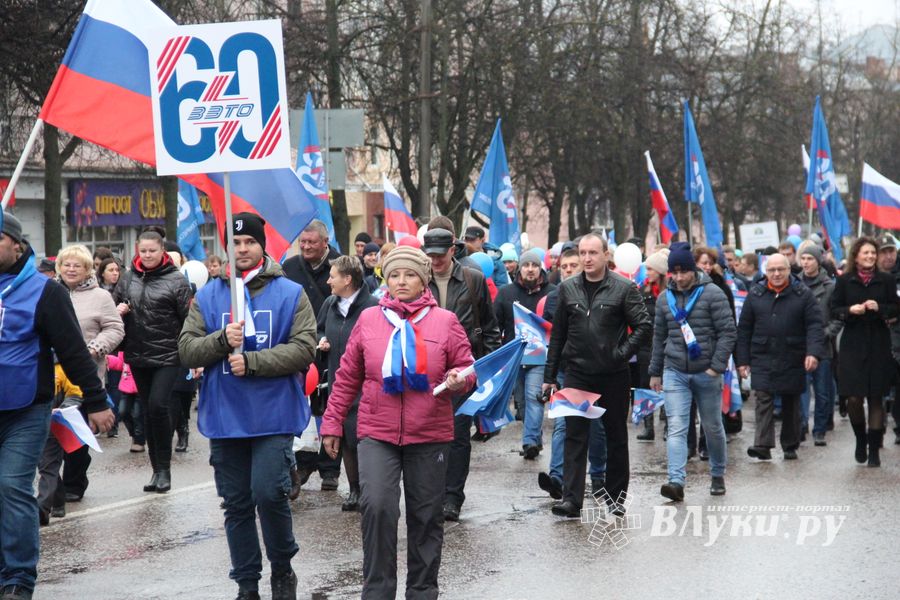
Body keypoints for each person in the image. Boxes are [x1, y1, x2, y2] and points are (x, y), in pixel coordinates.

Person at [320, 246, 475, 600]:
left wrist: (458, 379)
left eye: (409, 275)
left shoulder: (445, 321)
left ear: (423, 281)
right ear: (385, 280)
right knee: (376, 506)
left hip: (429, 433)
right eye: (394, 275)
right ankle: (377, 592)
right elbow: (346, 376)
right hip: (377, 431)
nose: (401, 281)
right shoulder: (370, 319)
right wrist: (332, 423)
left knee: (425, 517)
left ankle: (422, 591)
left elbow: (468, 369)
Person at [179, 212, 317, 600]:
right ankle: (246, 582)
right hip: (225, 414)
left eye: (249, 243)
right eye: (235, 243)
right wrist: (222, 340)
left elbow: (304, 348)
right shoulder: (208, 295)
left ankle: (283, 567)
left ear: (261, 246)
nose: (241, 249)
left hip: (273, 413)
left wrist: (254, 362)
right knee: (236, 502)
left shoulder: (290, 293)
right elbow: (186, 349)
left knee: (268, 494)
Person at [0, 210, 114, 600]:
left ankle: (18, 578)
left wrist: (96, 400)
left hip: (26, 406)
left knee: (11, 485)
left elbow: (72, 348)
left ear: (16, 244)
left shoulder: (45, 291)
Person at [543, 233, 652, 518]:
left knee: (616, 436)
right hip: (577, 373)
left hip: (614, 374)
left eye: (593, 253)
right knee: (575, 436)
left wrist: (620, 353)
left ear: (606, 255)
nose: (587, 258)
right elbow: (558, 336)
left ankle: (616, 498)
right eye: (583, 253)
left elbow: (643, 326)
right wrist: (550, 375)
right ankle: (571, 499)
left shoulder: (624, 288)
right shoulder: (567, 288)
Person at [420, 227, 501, 522]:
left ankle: (452, 497)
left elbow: (489, 327)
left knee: (457, 435)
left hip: (464, 368)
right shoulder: (418, 279)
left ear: (453, 250)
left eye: (440, 255)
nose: (436, 261)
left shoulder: (473, 278)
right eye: (430, 255)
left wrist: (489, 371)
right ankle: (432, 493)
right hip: (425, 368)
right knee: (427, 435)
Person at [649, 243, 736, 500]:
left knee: (712, 426)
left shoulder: (713, 293)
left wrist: (715, 367)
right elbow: (659, 337)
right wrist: (655, 372)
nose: (678, 277)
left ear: (692, 269)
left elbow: (728, 332)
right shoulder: (665, 298)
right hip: (675, 370)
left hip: (706, 371)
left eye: (682, 271)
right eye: (673, 273)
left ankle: (718, 473)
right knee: (676, 425)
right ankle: (676, 481)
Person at [115, 230, 192, 493]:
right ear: (138, 251)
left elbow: (188, 319)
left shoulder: (176, 280)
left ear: (162, 252)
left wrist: (193, 353)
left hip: (169, 354)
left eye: (152, 251)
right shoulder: (128, 279)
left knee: (159, 405)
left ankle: (165, 470)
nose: (147, 255)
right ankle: (156, 470)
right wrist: (119, 312)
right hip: (137, 353)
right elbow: (113, 313)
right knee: (147, 410)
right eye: (143, 251)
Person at [54, 245, 125, 502]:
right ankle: (52, 484)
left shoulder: (101, 297)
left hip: (85, 374)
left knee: (75, 429)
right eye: (66, 264)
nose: (71, 269)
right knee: (48, 432)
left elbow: (115, 329)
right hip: (50, 373)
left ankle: (74, 481)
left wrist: (96, 347)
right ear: (59, 267)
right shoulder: (49, 293)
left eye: (78, 265)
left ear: (87, 270)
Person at [738, 253, 825, 462]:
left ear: (788, 270)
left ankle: (790, 443)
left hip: (792, 354)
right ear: (765, 272)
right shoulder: (756, 293)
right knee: (763, 397)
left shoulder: (802, 293)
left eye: (781, 270)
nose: (776, 274)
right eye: (771, 270)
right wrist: (742, 360)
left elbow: (814, 325)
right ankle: (763, 444)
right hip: (762, 354)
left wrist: (813, 352)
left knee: (790, 400)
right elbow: (744, 329)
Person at [537, 247, 607, 500]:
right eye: (563, 266)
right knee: (563, 423)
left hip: (595, 371)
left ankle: (599, 474)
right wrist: (551, 374)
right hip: (567, 371)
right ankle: (558, 477)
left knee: (595, 424)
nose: (567, 270)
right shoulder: (554, 298)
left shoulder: (598, 292)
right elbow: (549, 337)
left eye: (572, 266)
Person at [282, 220, 343, 488]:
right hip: (301, 343)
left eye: (312, 242)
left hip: (333, 343)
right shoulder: (290, 267)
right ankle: (303, 463)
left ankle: (330, 467)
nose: (306, 247)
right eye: (302, 242)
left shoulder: (341, 264)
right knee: (304, 405)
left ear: (325, 242)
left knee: (330, 404)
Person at [316, 255, 379, 512]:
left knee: (361, 437)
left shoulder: (372, 307)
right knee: (343, 434)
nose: (329, 281)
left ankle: (370, 489)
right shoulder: (330, 304)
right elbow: (318, 329)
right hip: (337, 381)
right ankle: (354, 490)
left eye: (333, 276)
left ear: (348, 279)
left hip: (365, 383)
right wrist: (321, 341)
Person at [830, 236, 899, 466]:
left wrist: (881, 309)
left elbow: (895, 310)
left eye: (872, 253)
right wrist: (850, 310)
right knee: (853, 398)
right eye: (865, 253)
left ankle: (874, 451)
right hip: (852, 344)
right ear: (856, 256)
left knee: (876, 397)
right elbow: (834, 309)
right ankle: (861, 439)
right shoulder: (845, 280)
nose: (870, 256)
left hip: (878, 343)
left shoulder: (886, 280)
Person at [494, 249, 555, 458]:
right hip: (514, 355)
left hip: (540, 357)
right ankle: (535, 439)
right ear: (520, 268)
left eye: (534, 266)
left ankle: (529, 442)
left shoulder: (553, 292)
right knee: (521, 402)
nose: (530, 270)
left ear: (540, 269)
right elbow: (496, 325)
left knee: (534, 397)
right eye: (526, 265)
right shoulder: (506, 293)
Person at [797, 244, 840, 446]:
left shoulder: (830, 286)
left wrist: (825, 333)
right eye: (803, 258)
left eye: (810, 258)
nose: (806, 262)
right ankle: (802, 424)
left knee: (822, 391)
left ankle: (820, 429)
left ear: (818, 261)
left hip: (823, 346)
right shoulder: (795, 283)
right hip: (799, 345)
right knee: (801, 388)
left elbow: (838, 317)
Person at [635, 248, 670, 442]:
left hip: (666, 345)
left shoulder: (670, 291)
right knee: (645, 385)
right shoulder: (642, 290)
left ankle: (667, 425)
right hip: (646, 346)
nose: (646, 272)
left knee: (666, 385)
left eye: (650, 268)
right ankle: (648, 427)